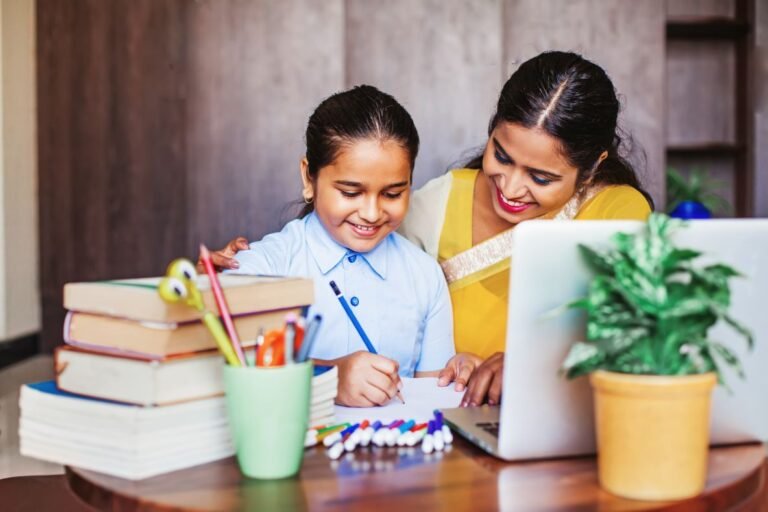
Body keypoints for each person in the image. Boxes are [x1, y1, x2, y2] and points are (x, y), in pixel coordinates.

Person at [207, 51, 652, 407]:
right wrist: (233, 282)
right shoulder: (433, 206)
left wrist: (534, 366)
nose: (512, 188)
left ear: (593, 166)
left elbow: (634, 343)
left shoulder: (617, 213)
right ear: (492, 128)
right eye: (501, 155)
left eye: (541, 177)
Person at [219, 85, 455, 408]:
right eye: (350, 192)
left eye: (392, 194)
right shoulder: (265, 266)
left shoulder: (425, 277)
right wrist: (329, 377)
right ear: (308, 178)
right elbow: (220, 364)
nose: (371, 213)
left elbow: (433, 404)